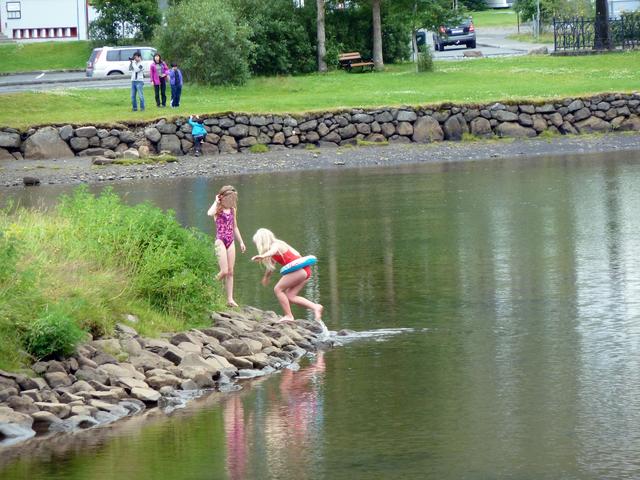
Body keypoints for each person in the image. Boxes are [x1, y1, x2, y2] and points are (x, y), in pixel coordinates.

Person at [251, 228, 323, 322]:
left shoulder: (276, 244)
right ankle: (315, 307)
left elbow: (273, 251)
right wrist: (266, 277)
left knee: (278, 289)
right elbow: (271, 267)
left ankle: (289, 316)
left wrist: (263, 256)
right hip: (305, 271)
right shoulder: (274, 251)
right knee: (290, 296)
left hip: (299, 270)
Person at [207, 186, 246, 307]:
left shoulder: (233, 210)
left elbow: (235, 226)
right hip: (220, 241)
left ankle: (230, 299)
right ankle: (208, 287)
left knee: (230, 271)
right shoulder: (217, 210)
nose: (232, 201)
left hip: (231, 241)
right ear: (223, 198)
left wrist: (241, 242)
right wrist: (216, 201)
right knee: (223, 271)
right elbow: (209, 213)